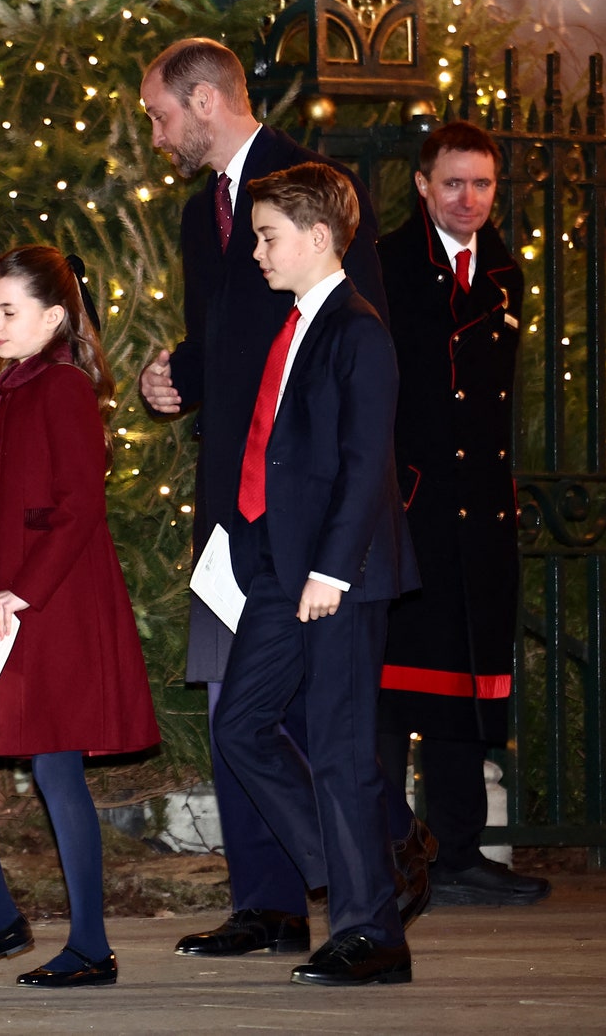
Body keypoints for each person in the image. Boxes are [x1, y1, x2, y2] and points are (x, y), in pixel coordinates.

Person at [137, 37, 434, 959]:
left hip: (312, 506)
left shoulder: (309, 194)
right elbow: (225, 334)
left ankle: (375, 866)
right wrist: (177, 371)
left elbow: (348, 346)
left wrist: (344, 539)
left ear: (204, 101)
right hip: (236, 495)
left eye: (158, 116)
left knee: (321, 711)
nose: (154, 135)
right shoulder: (201, 214)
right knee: (239, 699)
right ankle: (269, 901)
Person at [0, 246, 160, 989]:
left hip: (49, 605)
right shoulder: (12, 385)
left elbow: (82, 504)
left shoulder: (62, 387)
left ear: (53, 317)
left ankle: (89, 943)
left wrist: (28, 590)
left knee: (56, 768)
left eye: (8, 310)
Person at [213, 162, 419, 986]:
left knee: (339, 747)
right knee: (240, 725)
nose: (258, 251)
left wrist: (331, 568)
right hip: (279, 566)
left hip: (339, 573)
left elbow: (367, 462)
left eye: (268, 236)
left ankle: (374, 933)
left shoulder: (357, 330)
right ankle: (357, 867)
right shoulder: (294, 324)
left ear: (320, 237)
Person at [375, 122, 550, 907]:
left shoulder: (508, 272)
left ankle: (459, 851)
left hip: (480, 512)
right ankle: (380, 850)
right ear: (422, 184)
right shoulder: (383, 265)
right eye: (453, 183)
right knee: (389, 690)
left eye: (482, 184)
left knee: (466, 685)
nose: (470, 199)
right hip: (409, 508)